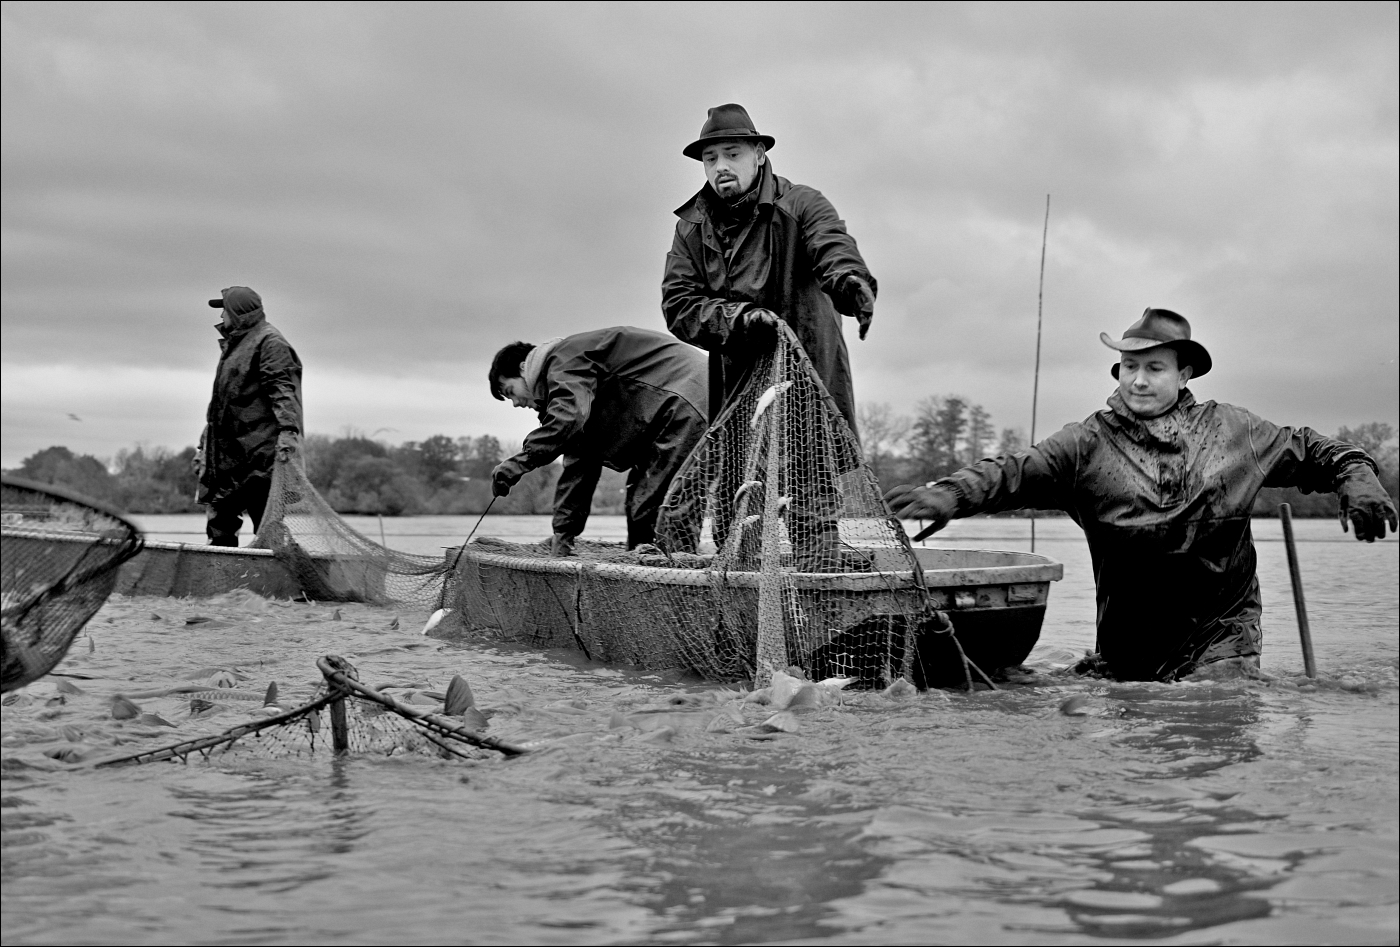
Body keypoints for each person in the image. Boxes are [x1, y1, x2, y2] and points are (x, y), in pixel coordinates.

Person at [886, 308, 1397, 682]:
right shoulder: (1086, 443)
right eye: (1130, 367)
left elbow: (1319, 450)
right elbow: (1016, 471)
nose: (1139, 379)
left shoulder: (1237, 431)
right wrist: (949, 495)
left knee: (1211, 714)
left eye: (1154, 368)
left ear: (1184, 374)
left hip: (1223, 636)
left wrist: (1357, 476)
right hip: (1127, 646)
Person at [661, 103, 877, 430]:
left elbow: (831, 245)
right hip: (738, 401)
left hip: (812, 391)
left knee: (814, 477)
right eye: (711, 158)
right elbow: (679, 307)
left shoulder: (802, 204)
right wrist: (745, 321)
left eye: (732, 154)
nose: (720, 166)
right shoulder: (690, 229)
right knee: (747, 480)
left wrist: (849, 280)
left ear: (759, 154)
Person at [488, 326, 708, 556]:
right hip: (671, 414)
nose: (515, 403)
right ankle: (655, 573)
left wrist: (519, 462)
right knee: (640, 510)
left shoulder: (564, 359)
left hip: (688, 402)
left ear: (524, 368)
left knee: (664, 507)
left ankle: (677, 579)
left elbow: (568, 419)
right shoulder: (569, 390)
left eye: (510, 391)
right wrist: (564, 536)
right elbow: (579, 466)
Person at [196, 286, 303, 546]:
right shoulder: (235, 345)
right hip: (226, 458)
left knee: (268, 529)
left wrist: (289, 432)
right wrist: (204, 444)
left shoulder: (270, 342)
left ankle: (274, 582)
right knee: (220, 526)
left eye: (225, 310)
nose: (222, 316)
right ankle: (221, 583)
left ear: (238, 311)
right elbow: (222, 403)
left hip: (260, 457)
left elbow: (282, 390)